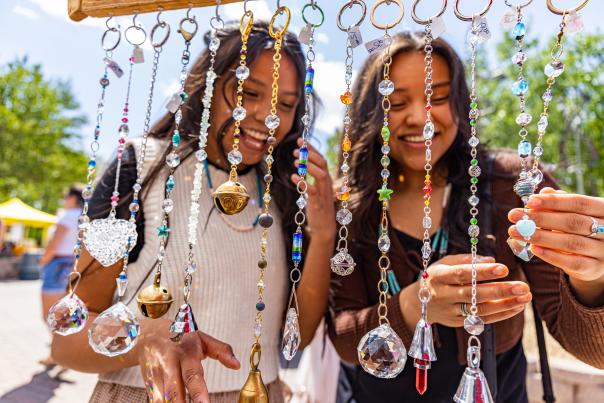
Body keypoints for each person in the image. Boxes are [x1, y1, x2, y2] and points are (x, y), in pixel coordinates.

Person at [51, 22, 335, 403]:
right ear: (207, 87)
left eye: (285, 105)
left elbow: (300, 334)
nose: (267, 118)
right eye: (248, 93)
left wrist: (325, 234)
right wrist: (146, 343)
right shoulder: (141, 169)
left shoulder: (283, 194)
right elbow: (65, 346)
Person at [328, 32, 604, 403]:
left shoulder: (512, 185)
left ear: (460, 103)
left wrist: (592, 280)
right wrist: (412, 306)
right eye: (395, 102)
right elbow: (344, 338)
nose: (419, 118)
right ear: (371, 113)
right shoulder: (348, 203)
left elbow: (593, 351)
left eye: (438, 98)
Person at [39, 186, 83, 366]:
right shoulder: (83, 216)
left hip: (57, 264)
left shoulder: (68, 216)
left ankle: (59, 355)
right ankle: (63, 352)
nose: (64, 199)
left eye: (66, 196)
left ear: (72, 198)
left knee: (50, 314)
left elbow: (54, 244)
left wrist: (43, 261)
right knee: (65, 313)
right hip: (72, 263)